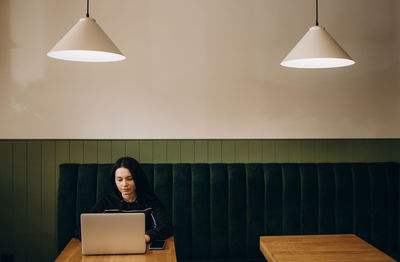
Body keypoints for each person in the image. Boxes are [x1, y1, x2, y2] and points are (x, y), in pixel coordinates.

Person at [77, 157, 173, 243]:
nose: (124, 184)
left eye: (129, 179)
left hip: (144, 249)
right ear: (114, 181)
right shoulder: (106, 202)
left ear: (137, 179)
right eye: (119, 179)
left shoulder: (150, 201)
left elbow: (165, 227)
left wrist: (145, 238)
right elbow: (82, 229)